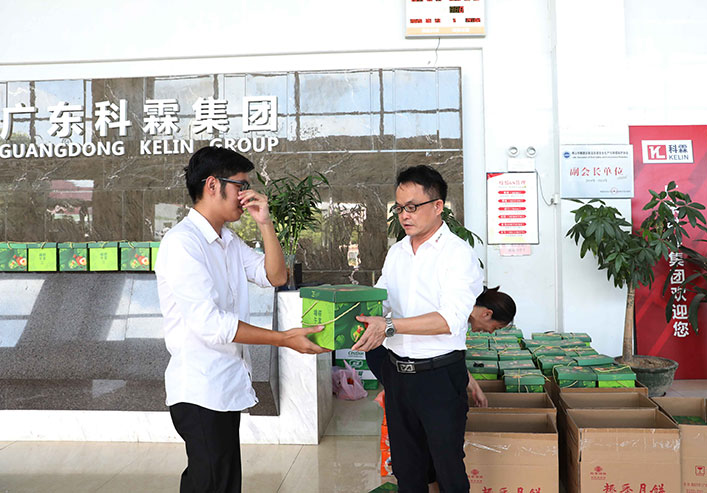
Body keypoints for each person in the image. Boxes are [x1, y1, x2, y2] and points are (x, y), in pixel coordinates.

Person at [155, 146, 325, 493]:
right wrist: (284, 338)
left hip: (222, 386)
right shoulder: (182, 243)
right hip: (200, 389)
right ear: (213, 185)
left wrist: (265, 223)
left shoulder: (228, 241)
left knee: (222, 482)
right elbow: (210, 324)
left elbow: (275, 276)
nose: (246, 194)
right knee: (211, 483)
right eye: (241, 185)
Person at [352, 165, 483, 493]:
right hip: (397, 375)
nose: (404, 215)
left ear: (438, 206)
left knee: (447, 468)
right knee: (407, 469)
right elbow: (382, 301)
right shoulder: (397, 252)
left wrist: (389, 326)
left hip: (438, 377)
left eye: (412, 206)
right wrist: (349, 319)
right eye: (399, 208)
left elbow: (450, 319)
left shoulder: (458, 254)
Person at [366, 286, 517, 406]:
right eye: (495, 327)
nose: (491, 332)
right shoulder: (448, 312)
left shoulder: (459, 317)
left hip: (407, 358)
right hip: (387, 352)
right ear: (487, 314)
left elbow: (448, 354)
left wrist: (474, 387)